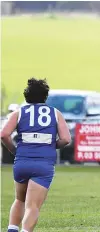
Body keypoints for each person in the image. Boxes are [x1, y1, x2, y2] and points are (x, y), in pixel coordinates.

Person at [1, 78, 71, 232]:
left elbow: (4, 134)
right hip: (43, 164)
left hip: (22, 162)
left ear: (26, 96)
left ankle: (12, 229)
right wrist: (53, 145)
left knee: (19, 199)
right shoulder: (55, 113)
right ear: (45, 97)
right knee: (32, 206)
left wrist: (14, 150)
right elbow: (66, 139)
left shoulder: (19, 113)